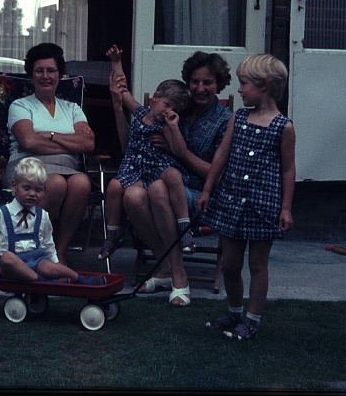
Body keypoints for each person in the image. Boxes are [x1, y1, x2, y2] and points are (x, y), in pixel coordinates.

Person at [110, 49, 233, 306]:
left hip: (201, 195)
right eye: (195, 81)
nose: (200, 88)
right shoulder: (178, 106)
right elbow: (132, 139)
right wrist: (118, 98)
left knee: (157, 189)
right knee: (132, 196)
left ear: (219, 84)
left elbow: (217, 175)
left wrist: (179, 152)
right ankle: (166, 268)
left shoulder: (225, 120)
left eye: (208, 82)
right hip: (157, 181)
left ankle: (179, 276)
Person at [197, 54, 296, 340]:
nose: (239, 89)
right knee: (230, 265)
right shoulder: (238, 118)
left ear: (263, 85)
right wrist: (207, 189)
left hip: (262, 207)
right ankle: (234, 312)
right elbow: (221, 155)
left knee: (257, 265)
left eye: (244, 84)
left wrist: (286, 208)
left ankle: (252, 320)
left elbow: (288, 169)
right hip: (231, 202)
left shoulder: (283, 127)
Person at [3, 43, 96, 265]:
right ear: (31, 74)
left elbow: (88, 143)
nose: (45, 76)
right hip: (28, 167)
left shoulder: (72, 109)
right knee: (55, 183)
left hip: (67, 168)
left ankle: (58, 252)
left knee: (82, 183)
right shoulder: (20, 106)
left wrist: (50, 136)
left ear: (59, 74)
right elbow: (28, 141)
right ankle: (33, 247)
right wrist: (71, 144)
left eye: (51, 70)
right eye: (39, 70)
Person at [98, 45, 192, 261]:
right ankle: (113, 235)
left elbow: (179, 152)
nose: (168, 111)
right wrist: (116, 62)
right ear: (155, 98)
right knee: (113, 186)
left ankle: (185, 230)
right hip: (135, 169)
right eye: (167, 104)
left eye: (175, 110)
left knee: (173, 174)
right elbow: (122, 91)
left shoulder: (166, 126)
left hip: (157, 168)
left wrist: (174, 127)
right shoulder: (140, 112)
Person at [0, 157, 106, 287]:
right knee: (7, 257)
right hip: (13, 266)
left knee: (48, 265)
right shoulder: (1, 214)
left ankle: (80, 279)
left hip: (37, 259)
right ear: (14, 186)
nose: (32, 194)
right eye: (26, 188)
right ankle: (44, 281)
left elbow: (48, 243)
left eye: (38, 190)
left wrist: (55, 264)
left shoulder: (42, 215)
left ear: (44, 191)